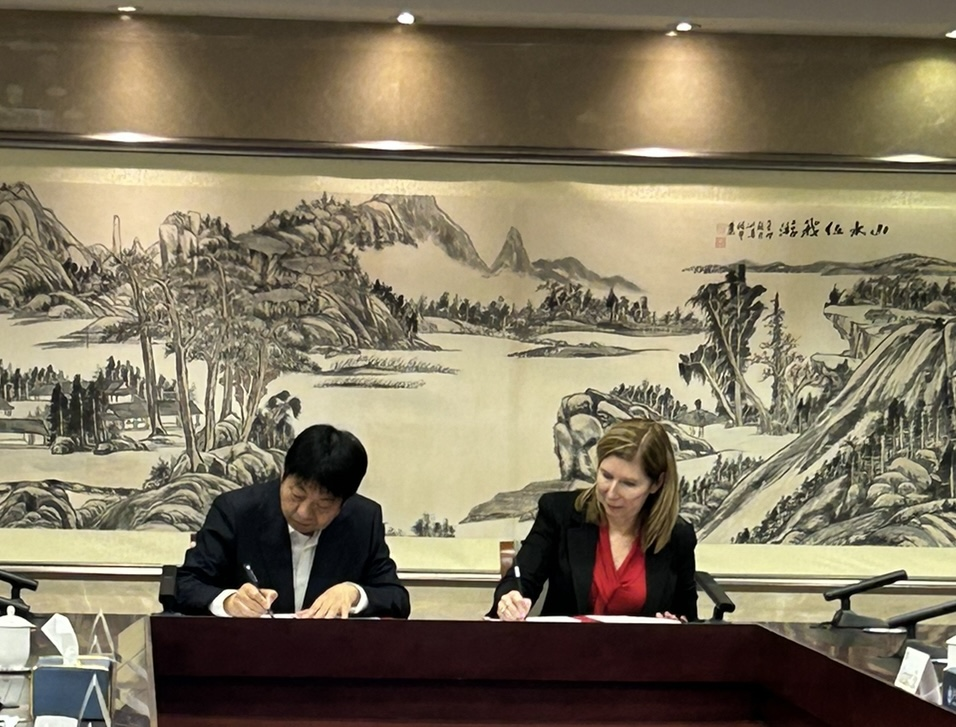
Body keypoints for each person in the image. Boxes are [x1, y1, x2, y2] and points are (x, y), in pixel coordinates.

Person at [175, 423, 410, 618]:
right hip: (247, 653)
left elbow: (397, 599)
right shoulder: (236, 511)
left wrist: (354, 594)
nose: (304, 512)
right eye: (297, 495)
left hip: (332, 654)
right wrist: (229, 602)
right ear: (283, 475)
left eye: (323, 504)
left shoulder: (363, 520)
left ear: (344, 502)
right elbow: (185, 585)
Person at [491, 418, 697, 621]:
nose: (611, 493)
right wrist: (510, 599)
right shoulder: (559, 512)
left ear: (656, 484)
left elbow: (688, 619)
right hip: (566, 642)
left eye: (628, 484)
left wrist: (677, 624)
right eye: (606, 476)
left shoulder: (678, 536)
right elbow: (521, 579)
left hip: (640, 645)